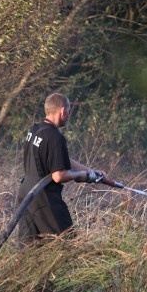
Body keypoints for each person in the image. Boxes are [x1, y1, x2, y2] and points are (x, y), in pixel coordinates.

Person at [17, 93, 107, 242]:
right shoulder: (55, 137)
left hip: (26, 193)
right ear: (63, 111)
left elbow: (60, 159)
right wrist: (83, 176)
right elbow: (58, 175)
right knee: (65, 244)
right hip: (44, 197)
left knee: (29, 250)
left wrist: (91, 172)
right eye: (69, 111)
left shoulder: (34, 130)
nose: (69, 115)